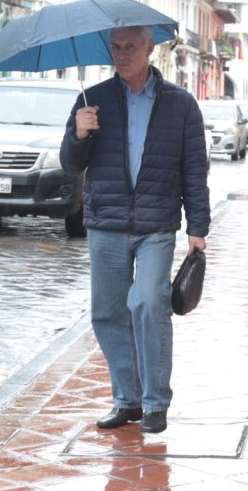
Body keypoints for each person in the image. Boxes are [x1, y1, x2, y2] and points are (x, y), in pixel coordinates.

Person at [60, 26, 210, 435]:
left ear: (150, 49)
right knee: (108, 312)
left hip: (156, 224)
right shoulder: (93, 101)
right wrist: (78, 133)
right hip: (105, 224)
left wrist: (198, 226)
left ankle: (155, 401)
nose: (122, 54)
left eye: (130, 47)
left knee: (147, 302)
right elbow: (71, 165)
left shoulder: (180, 105)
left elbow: (195, 169)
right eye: (116, 47)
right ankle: (127, 400)